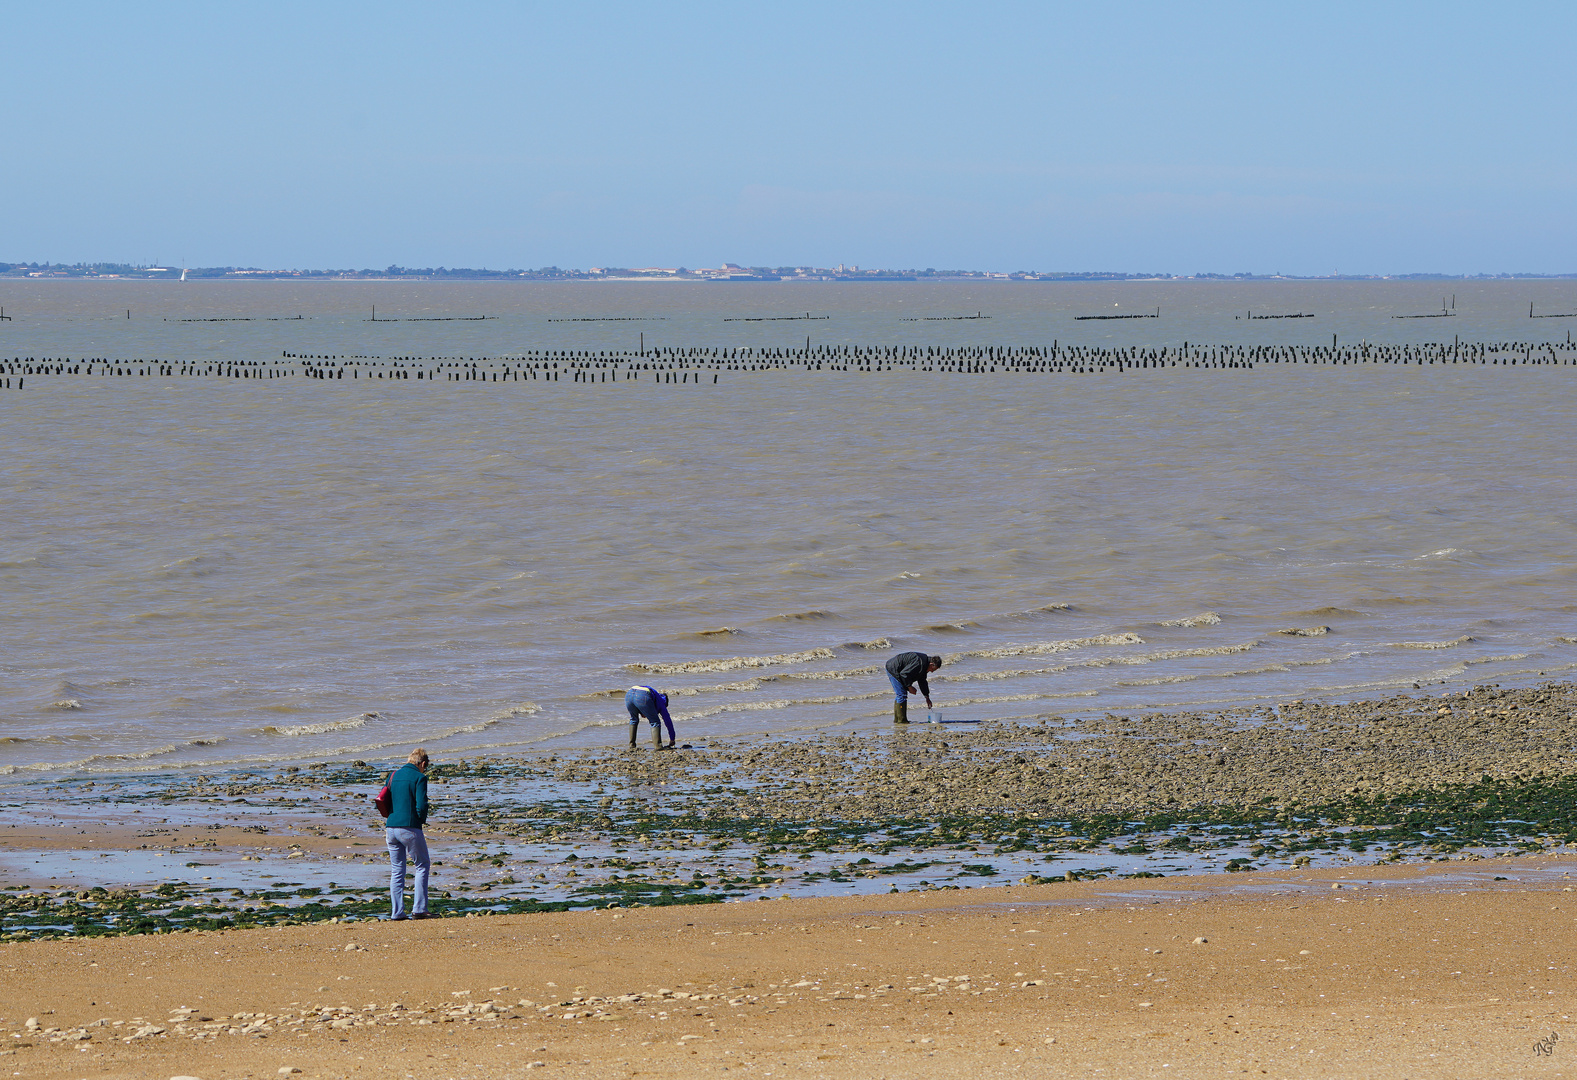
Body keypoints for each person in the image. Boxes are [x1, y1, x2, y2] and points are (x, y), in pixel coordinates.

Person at [384, 746, 432, 921]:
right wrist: (421, 820)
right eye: (425, 766)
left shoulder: (393, 775)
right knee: (422, 864)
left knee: (397, 870)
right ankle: (419, 908)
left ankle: (397, 912)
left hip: (391, 827)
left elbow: (383, 799)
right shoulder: (420, 777)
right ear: (423, 763)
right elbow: (422, 805)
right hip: (409, 827)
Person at [885, 651, 941, 724]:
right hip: (893, 668)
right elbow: (904, 674)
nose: (932, 671)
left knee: (901, 694)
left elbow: (922, 681)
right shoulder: (919, 663)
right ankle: (902, 721)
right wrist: (909, 686)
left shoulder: (925, 666)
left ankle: (897, 720)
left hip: (900, 671)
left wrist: (927, 697)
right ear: (931, 664)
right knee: (901, 694)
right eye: (933, 669)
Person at [626, 685, 676, 750]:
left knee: (633, 719)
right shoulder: (662, 702)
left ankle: (631, 745)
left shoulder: (655, 696)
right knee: (655, 722)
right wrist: (672, 739)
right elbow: (668, 721)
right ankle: (658, 746)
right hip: (643, 695)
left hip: (629, 694)